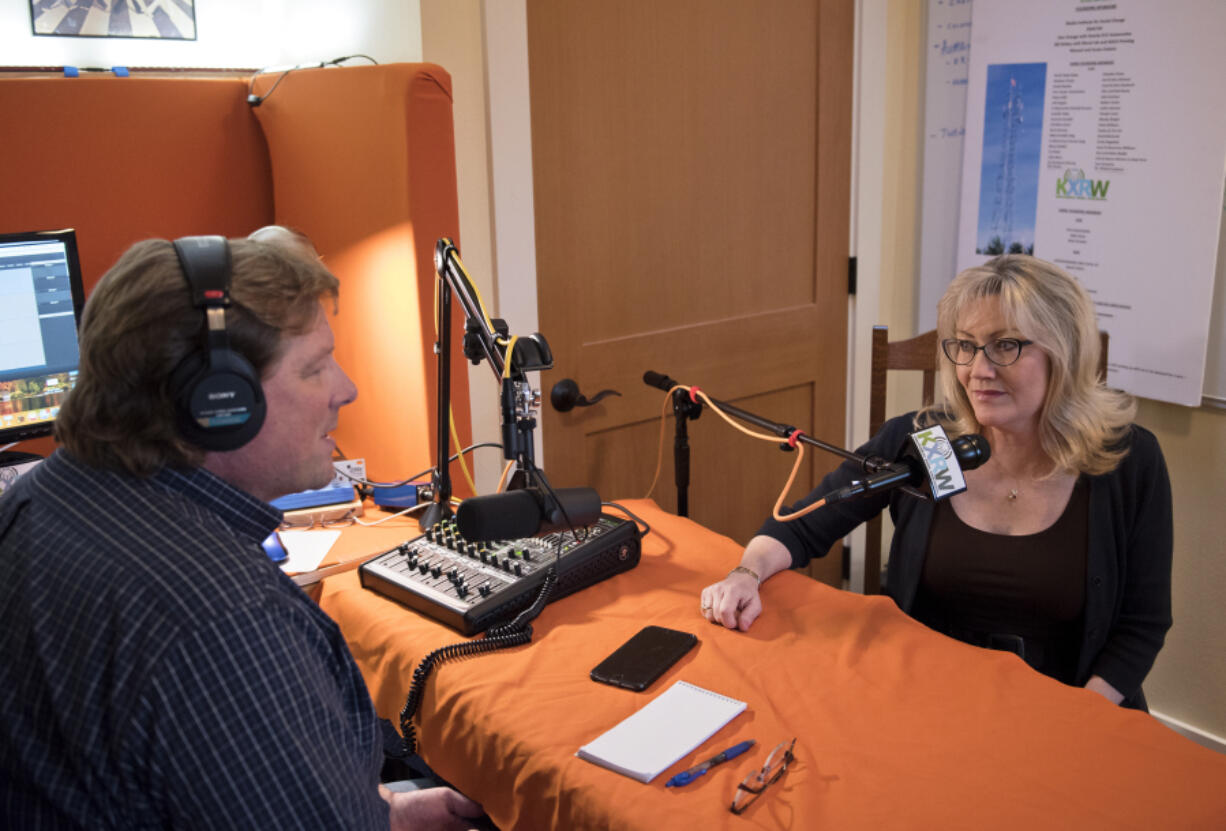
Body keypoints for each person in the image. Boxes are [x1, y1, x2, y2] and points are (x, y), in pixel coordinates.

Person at [0, 228, 484, 829]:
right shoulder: (224, 621)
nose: (346, 389)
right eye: (314, 368)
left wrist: (379, 814)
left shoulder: (37, 502)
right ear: (218, 402)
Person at [699, 254, 1172, 709]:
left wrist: (1078, 715)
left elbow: (1141, 625)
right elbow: (803, 525)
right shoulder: (924, 442)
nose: (977, 371)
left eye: (1005, 345)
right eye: (965, 345)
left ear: (1063, 354)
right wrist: (746, 573)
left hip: (1071, 711)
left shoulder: (1126, 460)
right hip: (926, 698)